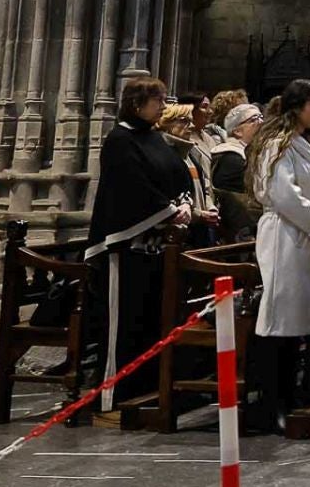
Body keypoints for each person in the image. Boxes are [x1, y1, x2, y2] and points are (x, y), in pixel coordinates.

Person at [85, 74, 193, 411]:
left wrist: (185, 203)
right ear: (136, 104)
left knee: (151, 322)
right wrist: (169, 211)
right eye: (157, 100)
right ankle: (114, 394)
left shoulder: (154, 138)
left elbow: (178, 172)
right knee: (125, 325)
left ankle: (147, 388)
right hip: (126, 248)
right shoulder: (120, 140)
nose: (163, 106)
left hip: (158, 248)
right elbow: (130, 188)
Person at [248, 79, 310, 433]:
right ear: (297, 106)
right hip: (287, 238)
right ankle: (271, 400)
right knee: (281, 320)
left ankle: (299, 395)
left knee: (304, 322)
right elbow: (285, 196)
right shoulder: (277, 145)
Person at [159, 101, 220, 245]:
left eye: (191, 121)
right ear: (167, 122)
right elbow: (171, 195)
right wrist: (198, 214)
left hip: (200, 226)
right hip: (179, 230)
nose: (191, 126)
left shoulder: (190, 153)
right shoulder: (165, 154)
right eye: (185, 121)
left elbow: (204, 185)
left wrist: (210, 207)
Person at [209, 102, 263, 240]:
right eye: (254, 119)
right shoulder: (231, 158)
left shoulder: (250, 152)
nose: (261, 122)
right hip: (240, 232)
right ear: (237, 131)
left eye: (261, 117)